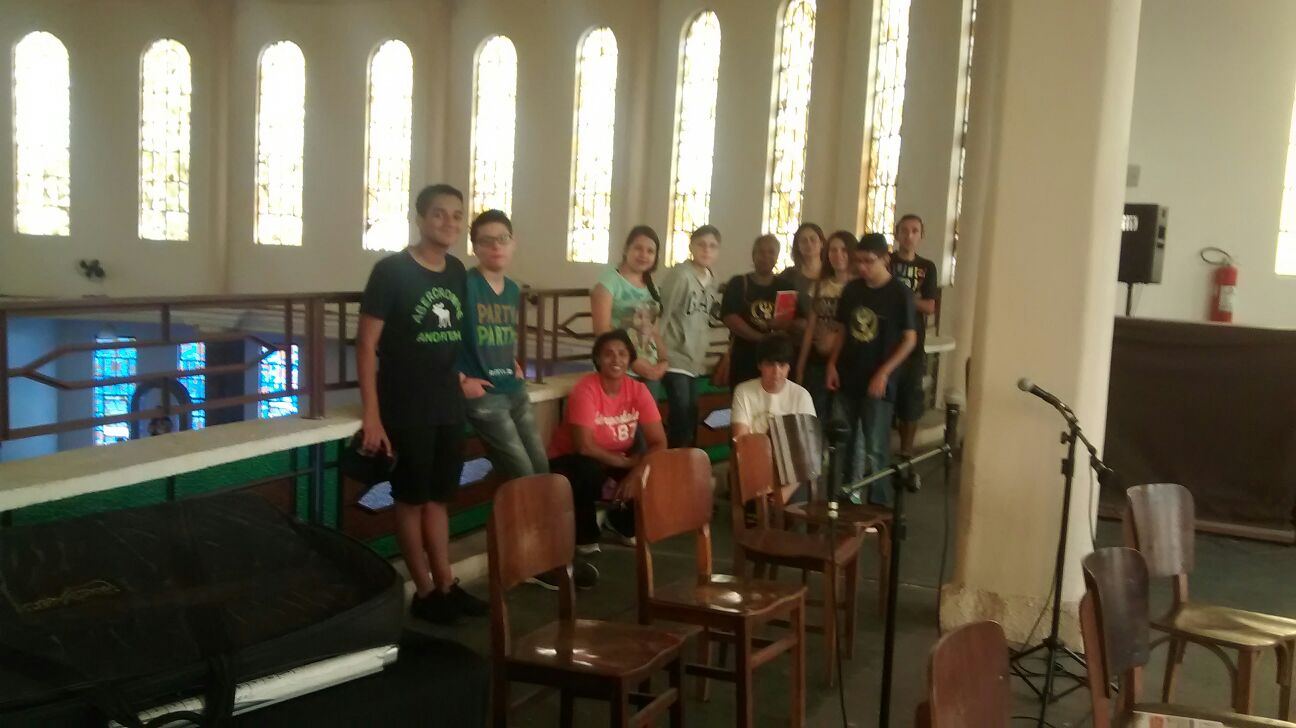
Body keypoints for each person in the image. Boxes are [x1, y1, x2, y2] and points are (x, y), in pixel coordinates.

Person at [357, 183, 489, 624]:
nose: (449, 222)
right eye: (439, 213)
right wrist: (372, 416)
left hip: (446, 402)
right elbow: (366, 345)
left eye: (457, 215)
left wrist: (463, 379)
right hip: (405, 404)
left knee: (438, 499)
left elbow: (450, 341)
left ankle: (446, 585)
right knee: (410, 500)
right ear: (420, 218)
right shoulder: (391, 271)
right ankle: (425, 592)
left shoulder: (456, 271)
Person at [545, 330, 667, 589]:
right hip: (572, 460)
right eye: (608, 354)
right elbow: (584, 446)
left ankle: (620, 521)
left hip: (615, 458)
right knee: (586, 472)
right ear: (598, 359)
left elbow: (659, 442)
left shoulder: (638, 390)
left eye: (622, 354)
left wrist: (636, 472)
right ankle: (585, 533)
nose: (616, 359)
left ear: (630, 359)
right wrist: (627, 464)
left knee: (651, 469)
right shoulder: (586, 389)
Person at [826, 232, 917, 507]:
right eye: (859, 261)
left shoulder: (900, 293)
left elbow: (909, 339)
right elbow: (842, 330)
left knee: (876, 447)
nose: (862, 267)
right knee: (845, 442)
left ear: (885, 259)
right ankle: (847, 498)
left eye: (869, 261)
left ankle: (879, 505)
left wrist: (884, 372)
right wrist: (832, 364)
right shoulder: (852, 290)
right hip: (848, 375)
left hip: (879, 380)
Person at [458, 209, 548, 480]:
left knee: (541, 465)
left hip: (513, 386)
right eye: (486, 241)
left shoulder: (511, 289)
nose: (496, 246)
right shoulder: (464, 285)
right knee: (521, 471)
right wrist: (460, 379)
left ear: (513, 243)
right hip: (484, 392)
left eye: (503, 239)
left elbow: (501, 332)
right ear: (475, 248)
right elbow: (444, 337)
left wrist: (512, 362)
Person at [732, 334, 817, 503]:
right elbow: (741, 439)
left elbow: (808, 449)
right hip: (756, 463)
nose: (776, 372)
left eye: (782, 365)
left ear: (789, 367)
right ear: (760, 365)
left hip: (793, 473)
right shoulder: (744, 391)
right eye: (770, 364)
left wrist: (785, 492)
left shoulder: (801, 395)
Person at [658, 224, 721, 448]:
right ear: (691, 246)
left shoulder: (711, 280)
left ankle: (688, 462)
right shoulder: (680, 275)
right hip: (674, 355)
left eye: (712, 246)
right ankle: (674, 463)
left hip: (695, 359)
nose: (706, 250)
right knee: (681, 416)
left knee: (691, 415)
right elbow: (663, 314)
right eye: (701, 244)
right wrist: (658, 353)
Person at [591, 226, 669, 398]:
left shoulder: (652, 287)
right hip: (619, 367)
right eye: (638, 248)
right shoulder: (609, 283)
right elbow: (602, 330)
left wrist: (664, 361)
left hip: (650, 368)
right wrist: (635, 362)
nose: (644, 255)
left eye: (650, 251)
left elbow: (655, 332)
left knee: (648, 414)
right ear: (626, 249)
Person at [720, 234, 799, 390]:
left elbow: (795, 320)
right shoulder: (738, 283)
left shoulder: (786, 287)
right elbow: (729, 317)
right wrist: (761, 338)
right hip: (744, 357)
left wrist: (783, 324)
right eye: (761, 252)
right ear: (753, 255)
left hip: (775, 360)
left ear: (777, 256)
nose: (766, 257)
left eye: (771, 252)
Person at [889, 214, 940, 455]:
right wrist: (913, 299)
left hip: (913, 343)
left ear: (921, 235)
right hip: (886, 340)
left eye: (914, 231)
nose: (909, 236)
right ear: (896, 233)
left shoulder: (927, 267)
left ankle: (906, 454)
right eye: (904, 230)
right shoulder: (886, 262)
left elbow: (929, 306)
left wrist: (900, 297)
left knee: (910, 399)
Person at [795, 230, 856, 421]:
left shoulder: (859, 287)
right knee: (816, 416)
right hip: (817, 360)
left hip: (846, 362)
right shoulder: (820, 285)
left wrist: (835, 338)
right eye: (833, 250)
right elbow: (810, 327)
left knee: (841, 420)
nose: (838, 255)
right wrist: (800, 366)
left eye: (843, 250)